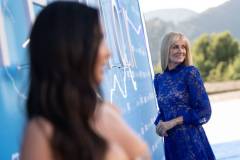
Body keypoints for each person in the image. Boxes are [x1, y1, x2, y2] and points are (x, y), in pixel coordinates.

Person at [20, 2, 151, 160]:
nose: (108, 52)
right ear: (71, 48)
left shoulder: (105, 112)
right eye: (99, 39)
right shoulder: (41, 131)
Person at [154, 32, 216, 160]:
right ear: (166, 49)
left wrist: (174, 122)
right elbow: (164, 110)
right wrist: (159, 124)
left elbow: (204, 111)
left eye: (184, 47)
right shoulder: (159, 79)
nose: (181, 51)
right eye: (175, 47)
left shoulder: (190, 73)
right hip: (172, 144)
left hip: (191, 141)